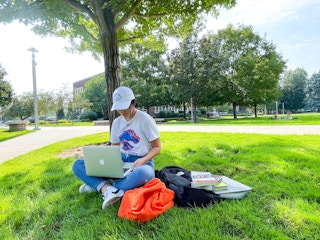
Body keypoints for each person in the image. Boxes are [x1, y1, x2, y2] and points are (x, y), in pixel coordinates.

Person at [72, 86, 161, 209]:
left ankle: (98, 185)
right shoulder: (117, 122)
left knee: (142, 174)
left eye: (124, 107)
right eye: (118, 108)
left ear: (132, 102)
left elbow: (157, 147)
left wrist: (143, 160)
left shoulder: (145, 119)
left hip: (142, 163)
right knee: (77, 165)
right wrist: (114, 160)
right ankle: (108, 189)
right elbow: (115, 146)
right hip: (121, 161)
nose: (121, 111)